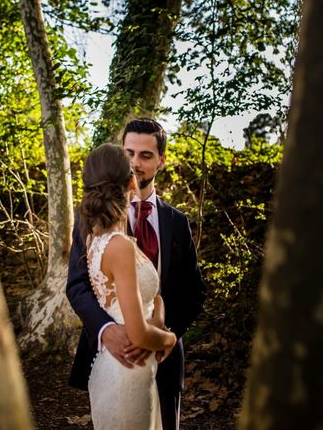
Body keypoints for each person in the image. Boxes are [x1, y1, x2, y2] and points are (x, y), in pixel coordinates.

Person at [67, 118, 207, 430]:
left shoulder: (177, 222)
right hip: (115, 356)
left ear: (161, 160)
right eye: (129, 153)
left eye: (145, 155)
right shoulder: (91, 220)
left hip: (165, 358)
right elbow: (76, 287)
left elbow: (194, 290)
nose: (135, 163)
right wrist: (106, 329)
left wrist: (162, 334)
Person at [74, 142, 176, 429]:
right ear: (131, 181)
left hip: (127, 369)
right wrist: (168, 339)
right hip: (128, 370)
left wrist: (158, 317)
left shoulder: (98, 238)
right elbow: (139, 335)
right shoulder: (118, 245)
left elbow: (151, 296)